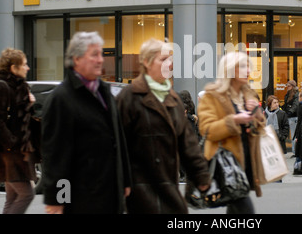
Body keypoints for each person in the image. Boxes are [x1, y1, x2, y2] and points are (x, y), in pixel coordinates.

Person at [41, 32, 132, 214]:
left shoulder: (105, 92)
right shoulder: (61, 99)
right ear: (76, 59)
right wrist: (58, 201)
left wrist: (125, 180)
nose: (100, 60)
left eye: (101, 54)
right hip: (81, 199)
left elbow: (119, 140)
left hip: (109, 194)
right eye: (94, 55)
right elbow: (56, 157)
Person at [116, 38, 210, 214]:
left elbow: (188, 145)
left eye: (170, 59)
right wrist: (121, 182)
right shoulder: (128, 98)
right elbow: (116, 145)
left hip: (168, 190)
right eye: (163, 59)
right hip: (138, 191)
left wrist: (201, 175)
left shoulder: (173, 99)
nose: (170, 64)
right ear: (146, 62)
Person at [198, 51, 266, 214]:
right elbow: (207, 130)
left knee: (236, 209)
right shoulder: (212, 96)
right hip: (227, 166)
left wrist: (255, 114)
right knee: (245, 210)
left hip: (246, 163)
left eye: (248, 66)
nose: (248, 70)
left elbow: (258, 129)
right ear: (229, 70)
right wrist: (233, 120)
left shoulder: (247, 94)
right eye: (243, 66)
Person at [0, 48, 38, 214]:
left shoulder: (19, 88)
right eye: (24, 64)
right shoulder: (2, 87)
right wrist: (11, 143)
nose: (28, 68)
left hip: (16, 152)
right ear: (13, 68)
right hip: (10, 153)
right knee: (27, 194)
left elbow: (23, 120)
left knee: (12, 198)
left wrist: (29, 103)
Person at [283, 80, 299, 154]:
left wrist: (290, 112)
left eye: (289, 86)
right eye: (287, 86)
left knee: (293, 134)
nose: (287, 87)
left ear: (292, 86)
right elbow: (286, 104)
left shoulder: (296, 94)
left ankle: (295, 151)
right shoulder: (288, 94)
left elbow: (295, 105)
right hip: (288, 116)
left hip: (293, 116)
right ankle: (294, 150)